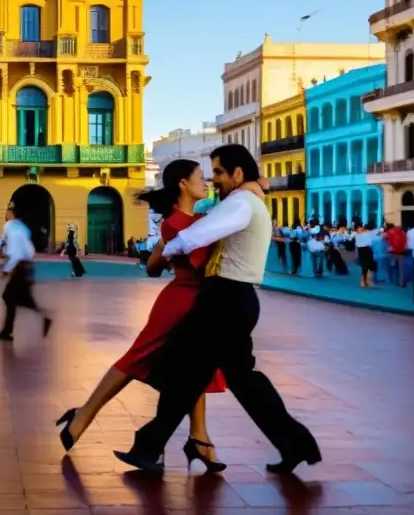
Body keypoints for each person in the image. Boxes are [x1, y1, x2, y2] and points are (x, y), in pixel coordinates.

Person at [114, 144, 321, 475]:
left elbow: (198, 235)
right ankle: (296, 444)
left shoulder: (241, 202)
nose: (216, 181)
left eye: (221, 173)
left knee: (184, 372)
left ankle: (149, 447)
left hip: (224, 300)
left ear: (238, 174)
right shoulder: (247, 200)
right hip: (233, 299)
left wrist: (167, 249)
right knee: (240, 380)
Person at [57, 159, 227, 473]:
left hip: (196, 302)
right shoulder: (177, 223)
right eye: (200, 178)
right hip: (180, 302)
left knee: (195, 369)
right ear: (183, 185)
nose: (205, 183)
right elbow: (201, 261)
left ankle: (199, 437)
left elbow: (152, 267)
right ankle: (83, 416)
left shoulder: (195, 220)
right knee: (138, 358)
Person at [0, 203, 52, 342]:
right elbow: (27, 249)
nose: (5, 215)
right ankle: (8, 330)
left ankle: (8, 331)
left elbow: (15, 252)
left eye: (7, 212)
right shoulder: (22, 227)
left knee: (10, 297)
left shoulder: (10, 226)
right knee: (15, 298)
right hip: (26, 266)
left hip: (20, 267)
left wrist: (6, 270)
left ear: (11, 214)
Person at [354, 224, 377, 288]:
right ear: (357, 230)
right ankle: (363, 282)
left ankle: (369, 281)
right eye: (359, 228)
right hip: (362, 252)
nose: (361, 229)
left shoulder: (367, 234)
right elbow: (357, 246)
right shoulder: (357, 236)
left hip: (369, 251)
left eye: (362, 228)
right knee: (364, 267)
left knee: (371, 266)